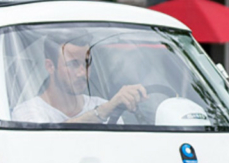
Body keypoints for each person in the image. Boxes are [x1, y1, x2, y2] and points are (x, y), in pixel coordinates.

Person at [11, 37, 147, 123]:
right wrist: (103, 111)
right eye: (73, 64)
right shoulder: (27, 112)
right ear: (50, 66)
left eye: (87, 63)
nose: (83, 73)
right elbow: (46, 140)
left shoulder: (103, 106)